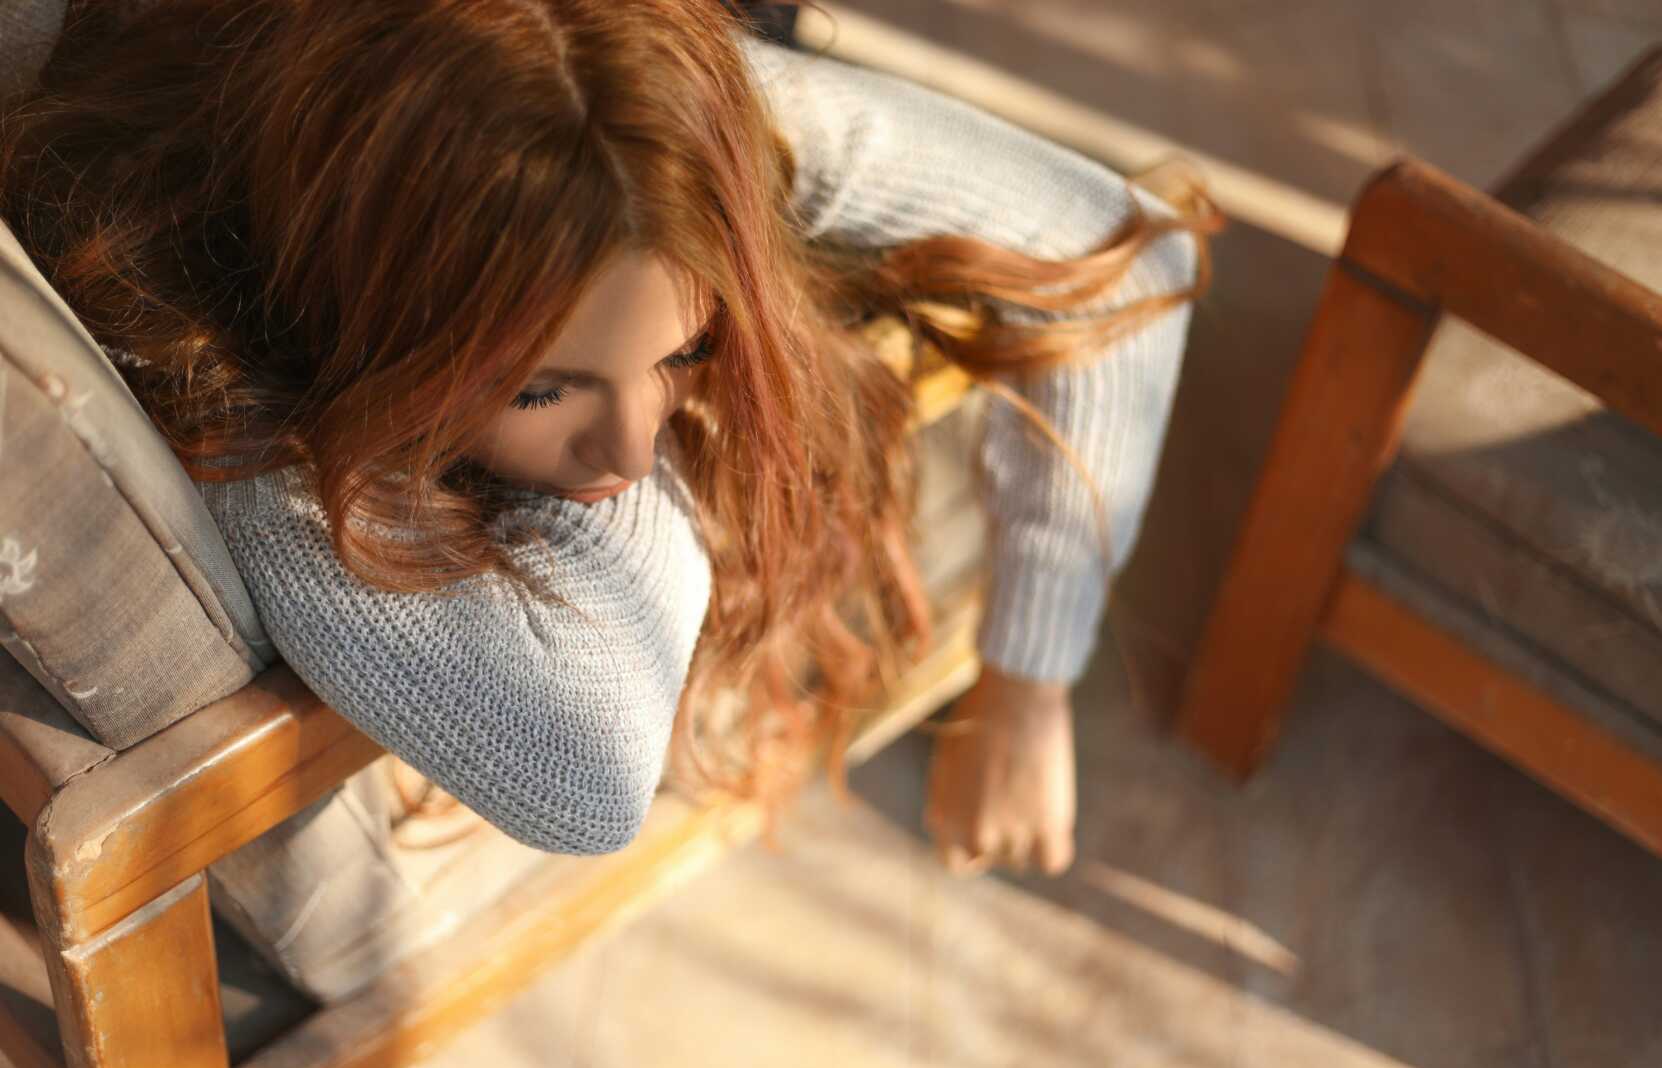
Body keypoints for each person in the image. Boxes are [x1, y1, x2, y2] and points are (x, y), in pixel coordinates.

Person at [0, 0, 1220, 882]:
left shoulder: (666, 117)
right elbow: (580, 771)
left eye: (687, 352)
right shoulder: (246, 375)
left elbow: (1125, 244)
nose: (636, 454)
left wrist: (1028, 679)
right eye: (543, 392)